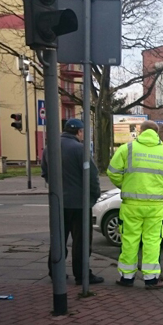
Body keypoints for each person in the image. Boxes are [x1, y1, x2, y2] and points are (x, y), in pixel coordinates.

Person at [107, 120, 163, 289]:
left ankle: (127, 277)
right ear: (157, 132)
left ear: (141, 131)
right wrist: (161, 188)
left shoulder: (127, 149)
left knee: (130, 239)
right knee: (152, 241)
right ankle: (151, 279)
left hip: (131, 205)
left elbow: (112, 172)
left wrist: (125, 185)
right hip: (155, 206)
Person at [41, 118, 104, 285]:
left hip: (58, 203)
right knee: (81, 241)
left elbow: (45, 172)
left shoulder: (49, 148)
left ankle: (55, 272)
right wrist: (94, 196)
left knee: (59, 239)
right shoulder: (79, 149)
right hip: (79, 204)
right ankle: (82, 274)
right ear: (79, 132)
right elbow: (91, 177)